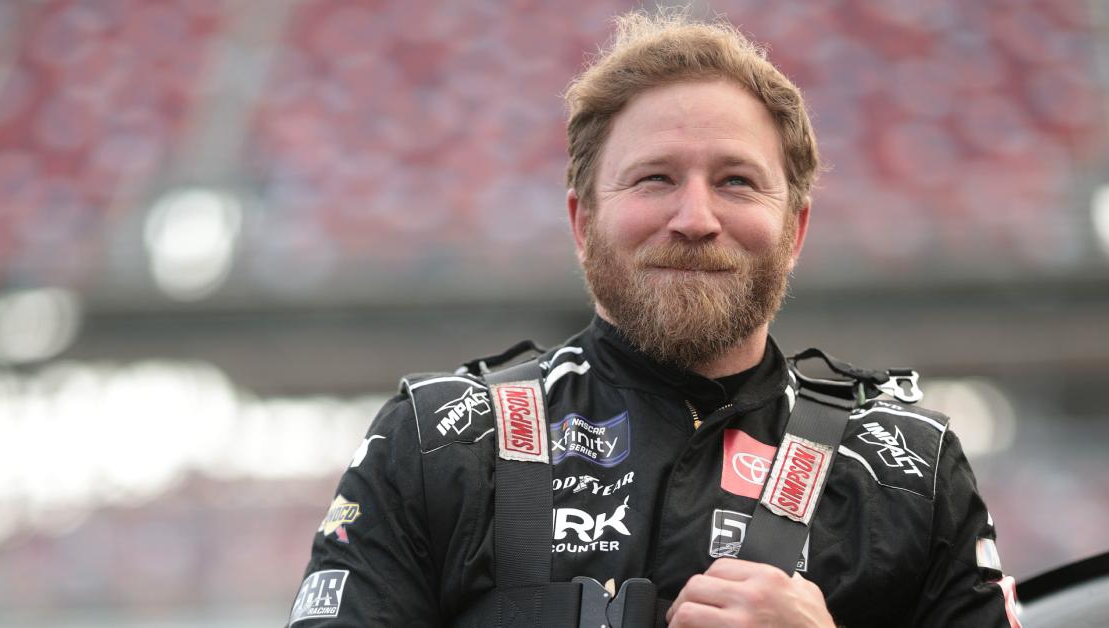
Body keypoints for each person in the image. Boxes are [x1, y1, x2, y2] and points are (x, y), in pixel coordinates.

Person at [286, 10, 1022, 628]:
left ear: (795, 230)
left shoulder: (909, 469)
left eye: (736, 181)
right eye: (655, 179)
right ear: (583, 223)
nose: (695, 218)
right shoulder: (438, 440)